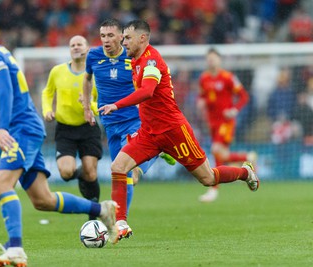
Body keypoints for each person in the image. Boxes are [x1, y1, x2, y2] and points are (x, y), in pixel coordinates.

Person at [0, 15, 117, 267]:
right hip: (27, 127)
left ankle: (16, 249)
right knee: (43, 200)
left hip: (21, 130)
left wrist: (2, 129)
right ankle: (102, 210)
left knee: (1, 183)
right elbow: (1, 102)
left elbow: (6, 92)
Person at [98, 19, 259, 244]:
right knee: (118, 167)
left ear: (142, 38)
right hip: (149, 133)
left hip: (174, 131)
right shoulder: (134, 61)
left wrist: (117, 104)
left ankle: (246, 173)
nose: (123, 42)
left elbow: (147, 91)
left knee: (208, 177)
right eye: (123, 38)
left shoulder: (152, 61)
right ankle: (121, 224)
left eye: (127, 38)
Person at [82, 18, 175, 241]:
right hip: (110, 124)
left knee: (129, 172)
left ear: (121, 37)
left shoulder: (132, 57)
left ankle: (120, 221)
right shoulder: (93, 56)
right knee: (121, 174)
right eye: (103, 36)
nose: (106, 40)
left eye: (111, 35)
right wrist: (87, 107)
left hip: (134, 120)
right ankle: (122, 221)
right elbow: (86, 80)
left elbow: (149, 85)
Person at [42, 35, 102, 220]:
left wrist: (89, 104)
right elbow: (47, 92)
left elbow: (101, 105)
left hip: (88, 126)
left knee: (91, 172)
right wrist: (47, 110)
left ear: (87, 48)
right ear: (69, 49)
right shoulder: (57, 71)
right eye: (72, 45)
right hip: (65, 129)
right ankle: (81, 176)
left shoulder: (95, 74)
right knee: (66, 173)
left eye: (79, 44)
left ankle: (94, 213)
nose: (76, 47)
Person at [197, 48, 257, 203]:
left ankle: (214, 188)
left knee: (216, 150)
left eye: (213, 58)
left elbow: (244, 96)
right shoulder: (204, 78)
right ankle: (247, 157)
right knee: (222, 154)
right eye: (208, 59)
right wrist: (201, 102)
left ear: (219, 60)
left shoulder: (228, 77)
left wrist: (234, 110)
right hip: (212, 122)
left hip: (226, 121)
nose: (211, 61)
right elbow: (203, 96)